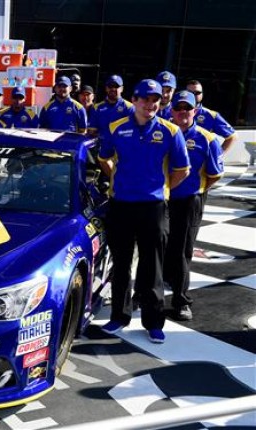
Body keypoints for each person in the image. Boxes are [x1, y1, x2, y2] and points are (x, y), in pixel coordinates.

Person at [98, 79, 190, 344]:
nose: (151, 104)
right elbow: (104, 157)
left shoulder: (171, 131)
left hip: (154, 208)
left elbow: (182, 170)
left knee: (153, 266)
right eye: (145, 99)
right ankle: (119, 316)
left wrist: (161, 190)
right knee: (122, 264)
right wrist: (117, 179)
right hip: (121, 205)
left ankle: (153, 322)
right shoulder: (116, 127)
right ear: (135, 100)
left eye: (156, 100)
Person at [164, 91, 224, 321]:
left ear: (195, 111)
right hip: (162, 198)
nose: (182, 112)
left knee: (181, 251)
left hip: (190, 201)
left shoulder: (207, 138)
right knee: (156, 248)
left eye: (187, 108)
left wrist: (197, 189)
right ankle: (147, 296)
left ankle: (181, 301)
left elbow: (215, 174)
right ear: (172, 111)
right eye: (178, 108)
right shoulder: (163, 133)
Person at [186, 79, 238, 153]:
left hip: (200, 162)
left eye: (197, 93)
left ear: (202, 94)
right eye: (190, 93)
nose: (193, 95)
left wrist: (218, 156)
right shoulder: (174, 111)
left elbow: (232, 136)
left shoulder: (211, 116)